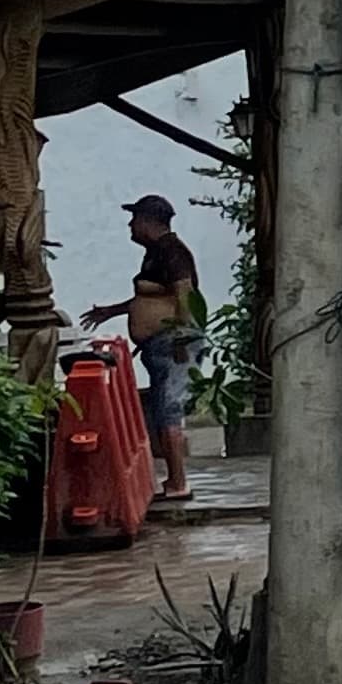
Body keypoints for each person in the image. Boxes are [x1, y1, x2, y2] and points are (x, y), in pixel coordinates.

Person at [84, 196, 203, 504]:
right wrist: (112, 311)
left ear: (150, 221)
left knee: (168, 410)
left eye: (134, 219)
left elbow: (185, 296)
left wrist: (181, 338)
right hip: (157, 344)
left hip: (174, 342)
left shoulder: (174, 252)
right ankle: (172, 478)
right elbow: (147, 300)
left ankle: (179, 482)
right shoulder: (155, 254)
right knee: (161, 409)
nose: (130, 225)